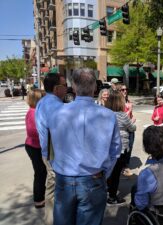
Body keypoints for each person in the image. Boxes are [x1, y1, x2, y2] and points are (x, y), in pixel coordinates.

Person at [49, 68, 122, 224]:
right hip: (93, 179)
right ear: (95, 87)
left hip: (64, 178)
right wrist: (103, 173)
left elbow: (50, 148)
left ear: (73, 87)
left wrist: (57, 167)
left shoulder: (56, 113)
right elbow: (115, 151)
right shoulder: (108, 115)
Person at [35, 72, 67, 225]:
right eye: (64, 85)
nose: (67, 88)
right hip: (55, 155)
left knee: (51, 190)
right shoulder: (55, 105)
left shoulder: (43, 101)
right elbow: (61, 134)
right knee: (57, 192)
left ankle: (49, 220)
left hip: (48, 152)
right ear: (56, 89)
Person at [105, 91, 136, 205]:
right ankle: (112, 197)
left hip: (107, 147)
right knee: (116, 173)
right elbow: (132, 128)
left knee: (108, 171)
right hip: (120, 147)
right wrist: (132, 121)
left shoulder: (105, 114)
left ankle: (108, 191)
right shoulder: (122, 115)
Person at [25, 89, 47, 209]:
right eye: (43, 97)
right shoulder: (34, 113)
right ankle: (38, 199)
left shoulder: (34, 111)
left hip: (34, 145)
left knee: (42, 172)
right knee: (40, 173)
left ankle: (41, 195)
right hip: (35, 146)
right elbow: (34, 132)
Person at [120, 83, 135, 177]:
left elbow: (131, 115)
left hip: (130, 126)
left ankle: (126, 164)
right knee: (123, 147)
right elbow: (121, 116)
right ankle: (122, 166)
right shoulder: (118, 103)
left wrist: (133, 118)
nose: (125, 91)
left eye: (126, 89)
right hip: (122, 128)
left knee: (130, 145)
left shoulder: (128, 101)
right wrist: (129, 110)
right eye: (122, 90)